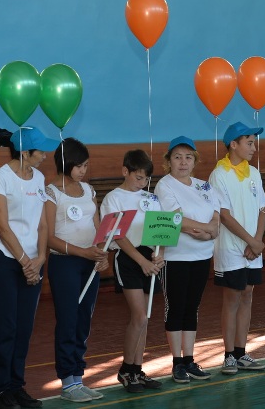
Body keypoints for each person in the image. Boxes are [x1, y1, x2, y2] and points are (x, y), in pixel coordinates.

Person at [0, 126, 58, 409]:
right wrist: (26, 262)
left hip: (32, 262)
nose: (45, 155)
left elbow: (42, 224)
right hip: (4, 260)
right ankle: (3, 390)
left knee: (24, 328)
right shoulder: (0, 177)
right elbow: (3, 227)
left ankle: (17, 386)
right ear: (25, 152)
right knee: (7, 327)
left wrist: (40, 259)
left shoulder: (38, 178)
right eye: (40, 151)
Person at [45, 138, 108, 402]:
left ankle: (78, 378)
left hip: (89, 262)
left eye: (86, 166)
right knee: (68, 320)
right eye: (79, 165)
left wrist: (102, 253)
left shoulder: (88, 190)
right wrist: (82, 252)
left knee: (83, 320)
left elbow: (98, 227)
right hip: (64, 263)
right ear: (65, 163)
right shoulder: (51, 193)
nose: (83, 170)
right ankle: (67, 382)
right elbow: (49, 237)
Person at [154, 136, 219, 383]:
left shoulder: (204, 186)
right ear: (168, 161)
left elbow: (216, 217)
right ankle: (176, 363)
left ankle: (189, 359)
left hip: (202, 255)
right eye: (177, 157)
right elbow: (176, 219)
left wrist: (209, 232)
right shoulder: (165, 185)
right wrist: (206, 229)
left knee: (192, 307)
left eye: (188, 157)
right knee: (176, 308)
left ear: (195, 161)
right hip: (176, 257)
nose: (183, 162)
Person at [100, 149, 164, 392]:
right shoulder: (113, 198)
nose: (143, 182)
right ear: (125, 171)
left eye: (146, 178)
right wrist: (141, 262)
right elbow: (117, 235)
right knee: (139, 316)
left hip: (149, 258)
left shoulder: (151, 198)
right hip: (129, 259)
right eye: (138, 177)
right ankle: (126, 370)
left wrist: (159, 254)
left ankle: (137, 370)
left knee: (145, 318)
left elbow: (161, 229)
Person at [208, 122, 265, 375]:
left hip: (253, 247)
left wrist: (257, 240)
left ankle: (242, 352)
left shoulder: (253, 173)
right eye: (249, 143)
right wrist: (250, 241)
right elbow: (224, 215)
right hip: (231, 247)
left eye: (254, 143)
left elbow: (263, 209)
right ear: (234, 144)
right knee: (232, 297)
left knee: (248, 295)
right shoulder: (219, 174)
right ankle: (229, 355)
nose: (254, 147)